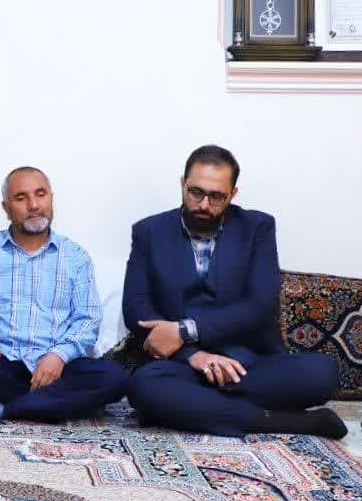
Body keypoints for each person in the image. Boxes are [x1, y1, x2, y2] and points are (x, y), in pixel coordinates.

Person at [123, 145, 343, 438]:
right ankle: (280, 421)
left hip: (247, 365)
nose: (204, 205)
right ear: (182, 184)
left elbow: (260, 305)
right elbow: (136, 307)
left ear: (233, 194)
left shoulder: (257, 227)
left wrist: (185, 331)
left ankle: (196, 408)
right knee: (144, 387)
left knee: (321, 374)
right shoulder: (149, 231)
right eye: (196, 192)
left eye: (216, 197)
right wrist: (194, 355)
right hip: (181, 364)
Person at [0, 167, 127, 422]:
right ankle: (64, 402)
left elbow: (87, 320)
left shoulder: (76, 257)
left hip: (60, 366)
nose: (33, 205)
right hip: (2, 363)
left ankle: (1, 410)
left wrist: (58, 355)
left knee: (115, 377)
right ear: (6, 208)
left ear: (51, 198)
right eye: (21, 198)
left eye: (40, 194)